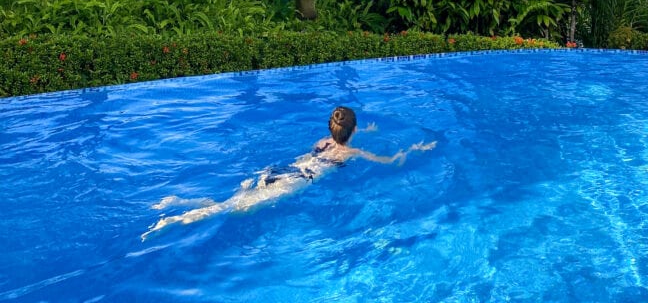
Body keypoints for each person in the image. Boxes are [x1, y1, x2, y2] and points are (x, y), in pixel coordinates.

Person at [143, 106, 435, 238]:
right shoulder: (351, 152)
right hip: (296, 181)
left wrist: (361, 129)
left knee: (234, 201)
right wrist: (413, 151)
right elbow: (388, 161)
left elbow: (333, 140)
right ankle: (175, 219)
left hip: (282, 170)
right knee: (234, 210)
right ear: (354, 131)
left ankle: (179, 202)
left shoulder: (321, 142)